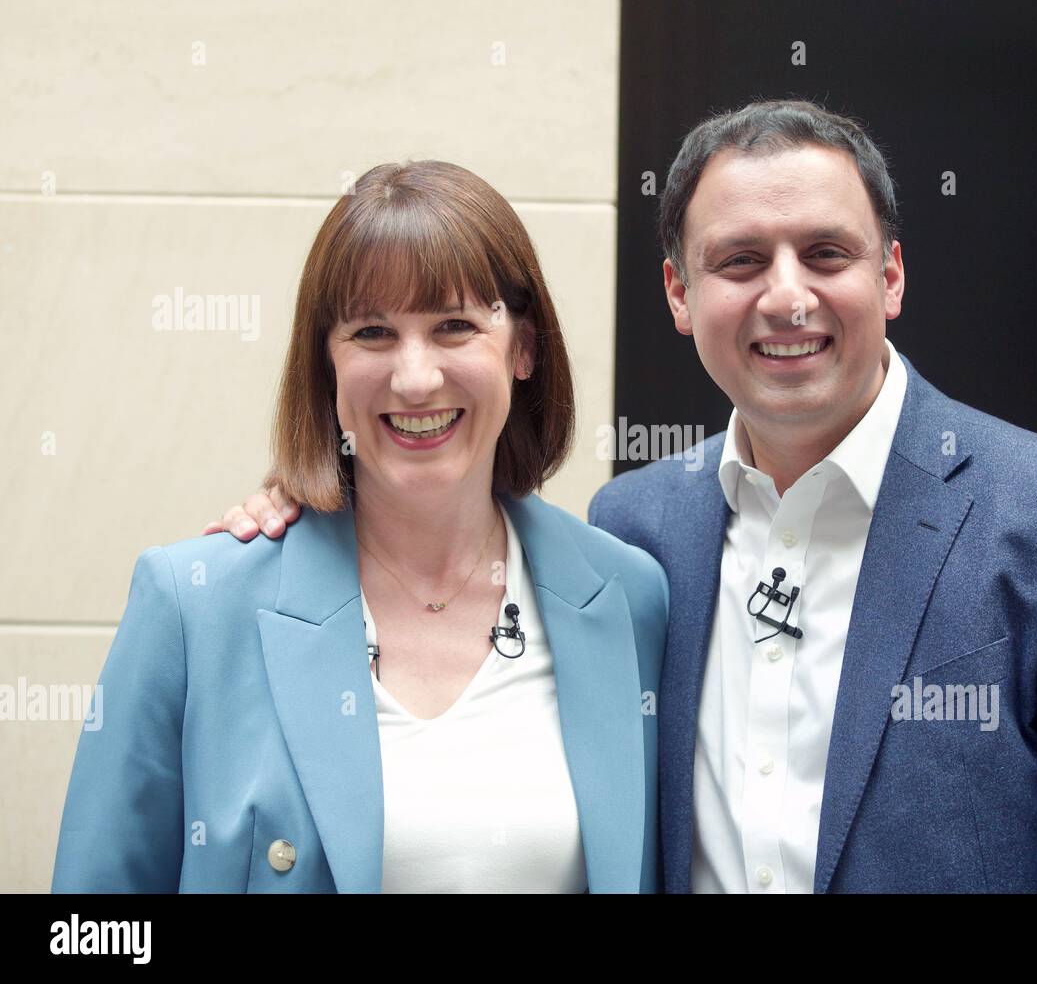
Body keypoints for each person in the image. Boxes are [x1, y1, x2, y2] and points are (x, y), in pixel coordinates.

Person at [207, 101, 1037, 893]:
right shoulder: (634, 540)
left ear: (892, 275)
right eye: (739, 261)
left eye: (825, 252)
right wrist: (320, 505)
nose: (786, 295)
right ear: (679, 296)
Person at [52, 160, 667, 894]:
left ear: (524, 348)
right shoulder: (196, 604)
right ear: (328, 364)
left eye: (455, 327)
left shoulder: (629, 598)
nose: (415, 378)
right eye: (373, 332)